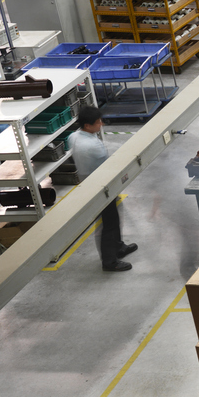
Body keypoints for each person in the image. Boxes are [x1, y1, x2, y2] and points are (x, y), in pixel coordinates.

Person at [69, 106, 137, 273]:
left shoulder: (74, 136)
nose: (102, 124)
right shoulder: (93, 146)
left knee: (113, 217)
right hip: (100, 186)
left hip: (87, 181)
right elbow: (109, 168)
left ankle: (118, 247)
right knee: (109, 223)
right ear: (87, 125)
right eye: (98, 122)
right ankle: (110, 261)